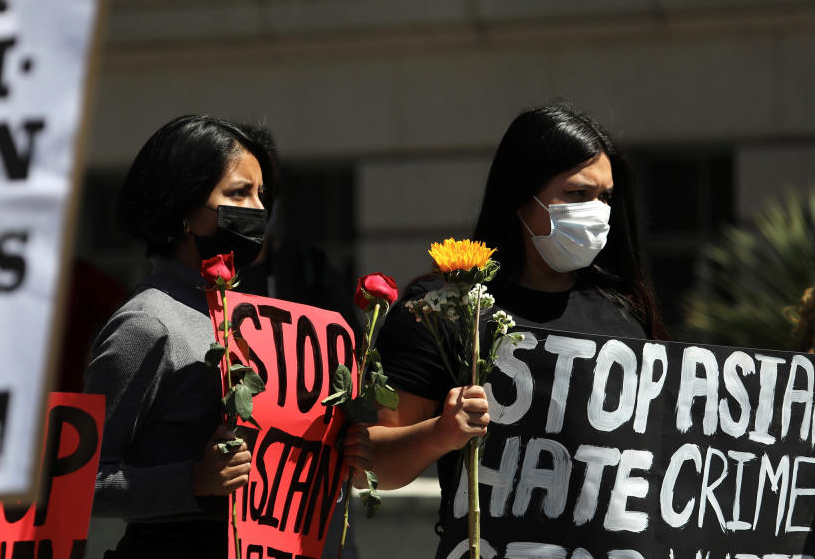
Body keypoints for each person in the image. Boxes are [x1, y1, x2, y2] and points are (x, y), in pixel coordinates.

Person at [368, 103, 668, 556]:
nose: (597, 212)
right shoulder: (445, 311)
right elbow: (371, 465)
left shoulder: (623, 315)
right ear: (521, 198)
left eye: (605, 197)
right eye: (577, 194)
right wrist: (440, 433)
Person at [84, 115, 370, 558]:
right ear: (183, 212)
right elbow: (84, 484)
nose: (259, 211)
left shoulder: (253, 318)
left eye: (262, 195)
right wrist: (196, 480)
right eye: (239, 193)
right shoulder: (147, 322)